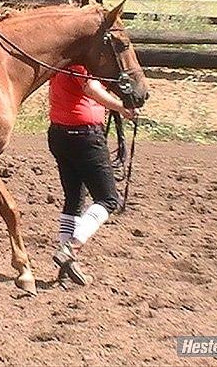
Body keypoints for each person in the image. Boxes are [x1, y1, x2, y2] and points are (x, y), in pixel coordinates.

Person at [48, 64, 139, 285]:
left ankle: (66, 267)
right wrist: (121, 107)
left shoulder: (62, 61)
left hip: (60, 134)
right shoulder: (79, 64)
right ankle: (72, 247)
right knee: (109, 199)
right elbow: (91, 89)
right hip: (85, 138)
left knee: (73, 201)